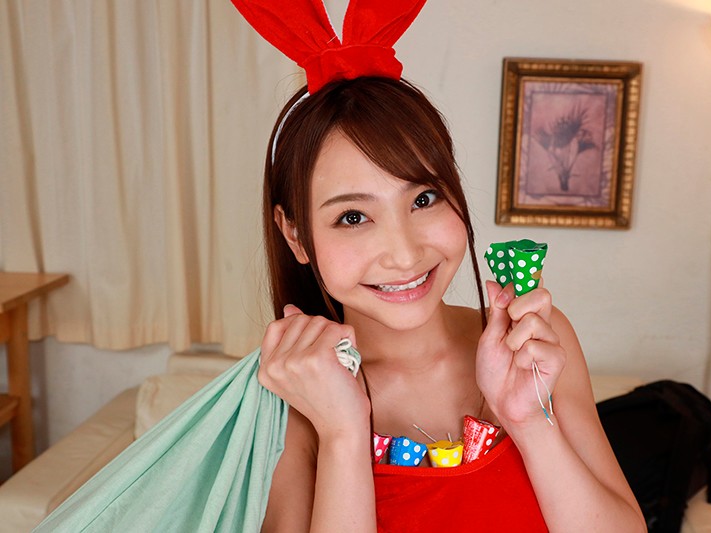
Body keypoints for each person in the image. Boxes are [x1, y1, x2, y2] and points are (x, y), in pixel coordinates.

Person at [255, 75, 645, 532]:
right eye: (353, 216)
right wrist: (342, 434)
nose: (405, 255)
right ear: (295, 235)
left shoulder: (532, 339)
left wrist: (529, 421)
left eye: (423, 198)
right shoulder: (290, 395)